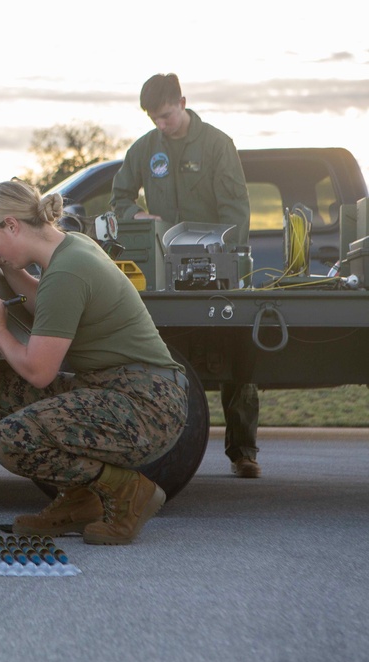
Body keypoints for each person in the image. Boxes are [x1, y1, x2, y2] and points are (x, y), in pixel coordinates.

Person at [0, 179, 188, 545]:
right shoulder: (72, 248)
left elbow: (39, 372)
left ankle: (127, 491)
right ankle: (80, 500)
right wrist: (7, 267)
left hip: (148, 406)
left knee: (9, 440)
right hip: (128, 388)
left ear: (12, 225)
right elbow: (52, 307)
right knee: (6, 391)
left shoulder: (67, 271)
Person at [110, 73, 260, 479]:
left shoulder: (216, 145)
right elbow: (119, 197)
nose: (162, 124)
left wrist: (224, 258)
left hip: (216, 267)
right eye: (154, 118)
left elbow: (236, 210)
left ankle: (243, 450)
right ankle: (164, 447)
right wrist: (135, 215)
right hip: (164, 272)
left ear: (183, 102)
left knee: (238, 358)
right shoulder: (144, 150)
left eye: (166, 115)